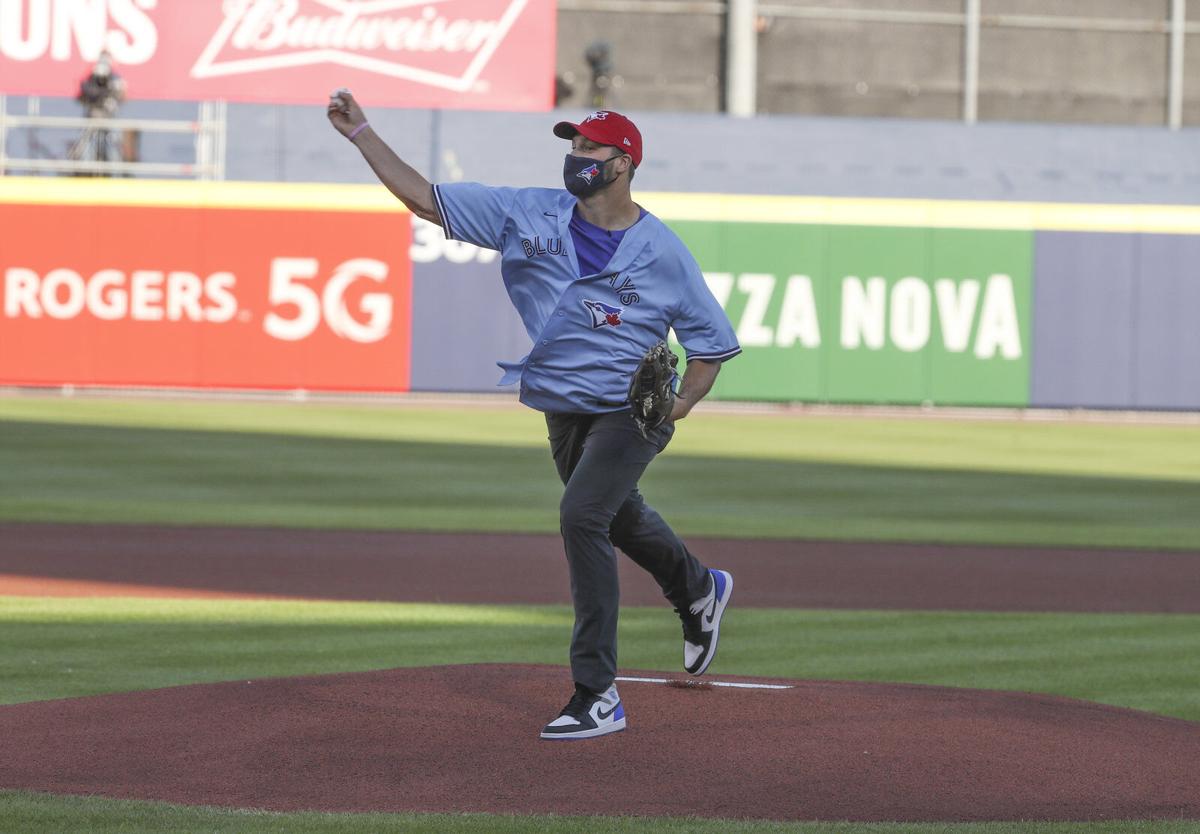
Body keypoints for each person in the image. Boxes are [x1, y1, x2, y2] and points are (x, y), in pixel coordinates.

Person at [328, 91, 740, 741]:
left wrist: (678, 406)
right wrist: (363, 134)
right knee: (615, 513)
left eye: (590, 148)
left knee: (582, 515)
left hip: (630, 410)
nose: (576, 157)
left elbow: (711, 348)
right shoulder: (527, 213)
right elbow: (425, 199)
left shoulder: (662, 251)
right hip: (561, 403)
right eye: (572, 146)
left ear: (624, 163)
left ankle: (597, 693)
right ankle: (697, 588)